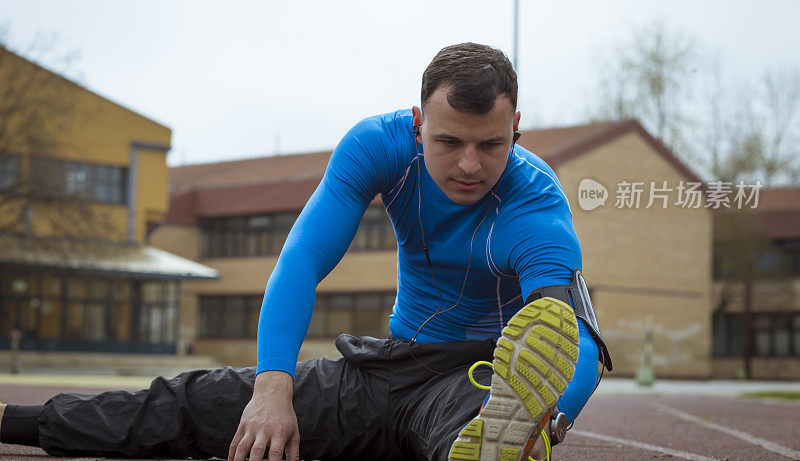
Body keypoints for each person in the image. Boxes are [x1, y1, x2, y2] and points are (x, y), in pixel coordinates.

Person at [0, 43, 609, 461]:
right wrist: (272, 387)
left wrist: (549, 418)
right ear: (419, 122)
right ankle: (13, 419)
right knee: (205, 402)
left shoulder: (535, 206)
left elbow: (569, 334)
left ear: (517, 129)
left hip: (472, 377)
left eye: (492, 145)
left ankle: (501, 439)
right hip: (387, 367)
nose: (470, 165)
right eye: (449, 142)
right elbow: (303, 261)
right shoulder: (378, 146)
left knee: (471, 430)